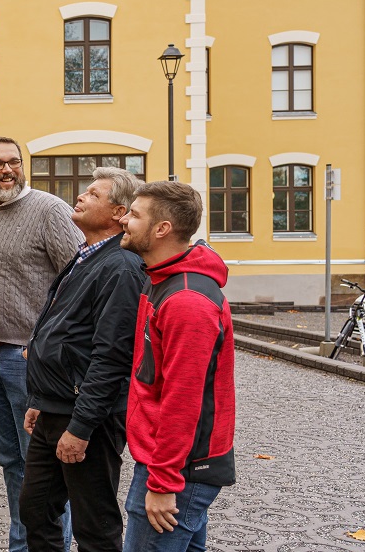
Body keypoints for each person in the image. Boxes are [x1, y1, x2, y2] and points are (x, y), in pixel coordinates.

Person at [0, 136, 83, 552]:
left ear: (22, 166)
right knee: (12, 464)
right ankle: (24, 545)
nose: (6, 169)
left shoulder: (50, 211)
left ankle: (49, 547)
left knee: (44, 471)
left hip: (30, 362)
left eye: (13, 162)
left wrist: (51, 349)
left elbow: (79, 283)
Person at [19, 167, 144, 552]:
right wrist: (41, 399)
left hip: (87, 417)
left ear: (119, 213)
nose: (81, 196)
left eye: (93, 193)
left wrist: (81, 427)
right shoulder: (86, 256)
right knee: (35, 509)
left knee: (95, 525)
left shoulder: (121, 268)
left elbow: (111, 357)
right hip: (55, 407)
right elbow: (61, 329)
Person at [118, 181, 236, 552]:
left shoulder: (186, 300)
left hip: (179, 469)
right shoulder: (161, 280)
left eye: (134, 215)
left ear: (162, 229)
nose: (123, 220)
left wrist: (164, 483)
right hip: (169, 462)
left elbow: (183, 400)